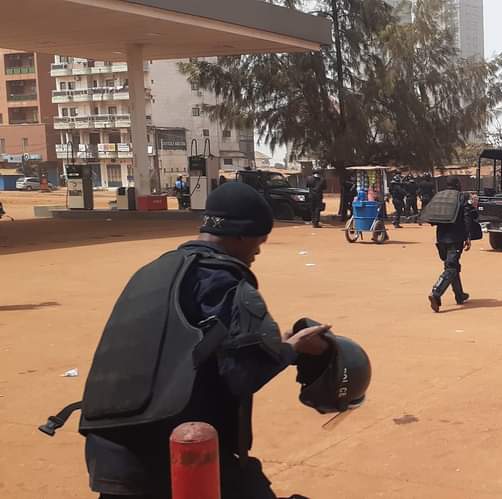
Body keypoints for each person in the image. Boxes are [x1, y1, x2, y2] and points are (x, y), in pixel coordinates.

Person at [75, 182, 334, 498]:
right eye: (259, 240)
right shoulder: (224, 280)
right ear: (240, 234)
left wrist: (273, 342)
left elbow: (191, 348)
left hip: (109, 453)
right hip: (171, 455)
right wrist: (292, 349)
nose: (258, 251)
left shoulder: (157, 272)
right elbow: (243, 375)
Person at [428, 177, 477, 313]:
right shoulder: (461, 198)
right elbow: (467, 218)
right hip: (455, 238)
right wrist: (468, 236)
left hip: (441, 238)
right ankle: (436, 292)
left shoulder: (440, 197)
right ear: (457, 185)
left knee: (452, 266)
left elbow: (432, 217)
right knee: (451, 267)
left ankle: (459, 295)